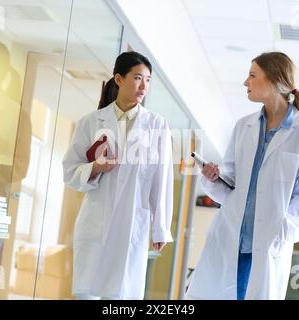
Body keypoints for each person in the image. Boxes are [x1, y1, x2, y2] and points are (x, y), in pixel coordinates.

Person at [186, 52, 299, 300]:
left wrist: (281, 232)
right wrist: (212, 177)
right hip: (229, 238)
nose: (245, 82)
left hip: (266, 246)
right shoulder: (243, 126)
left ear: (273, 80)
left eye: (252, 75)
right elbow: (230, 185)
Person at [62, 51, 174, 300]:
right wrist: (95, 168)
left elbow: (162, 181)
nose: (143, 86)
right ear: (119, 79)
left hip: (132, 223)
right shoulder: (90, 122)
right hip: (95, 222)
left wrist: (160, 228)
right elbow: (69, 170)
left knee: (121, 296)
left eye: (148, 80)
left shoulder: (157, 126)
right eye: (137, 78)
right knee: (88, 292)